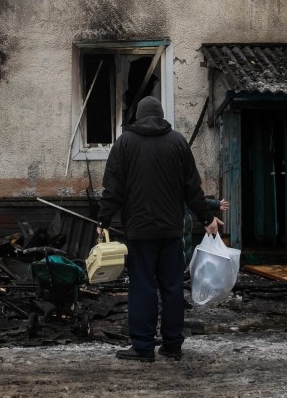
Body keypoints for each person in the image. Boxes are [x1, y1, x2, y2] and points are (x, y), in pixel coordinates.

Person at [97, 96, 229, 362]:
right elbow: (192, 189)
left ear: (138, 116)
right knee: (172, 287)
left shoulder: (124, 143)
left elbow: (113, 189)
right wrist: (206, 217)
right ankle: (172, 344)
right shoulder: (178, 142)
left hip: (140, 231)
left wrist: (104, 220)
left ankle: (143, 347)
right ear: (161, 115)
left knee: (143, 287)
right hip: (171, 232)